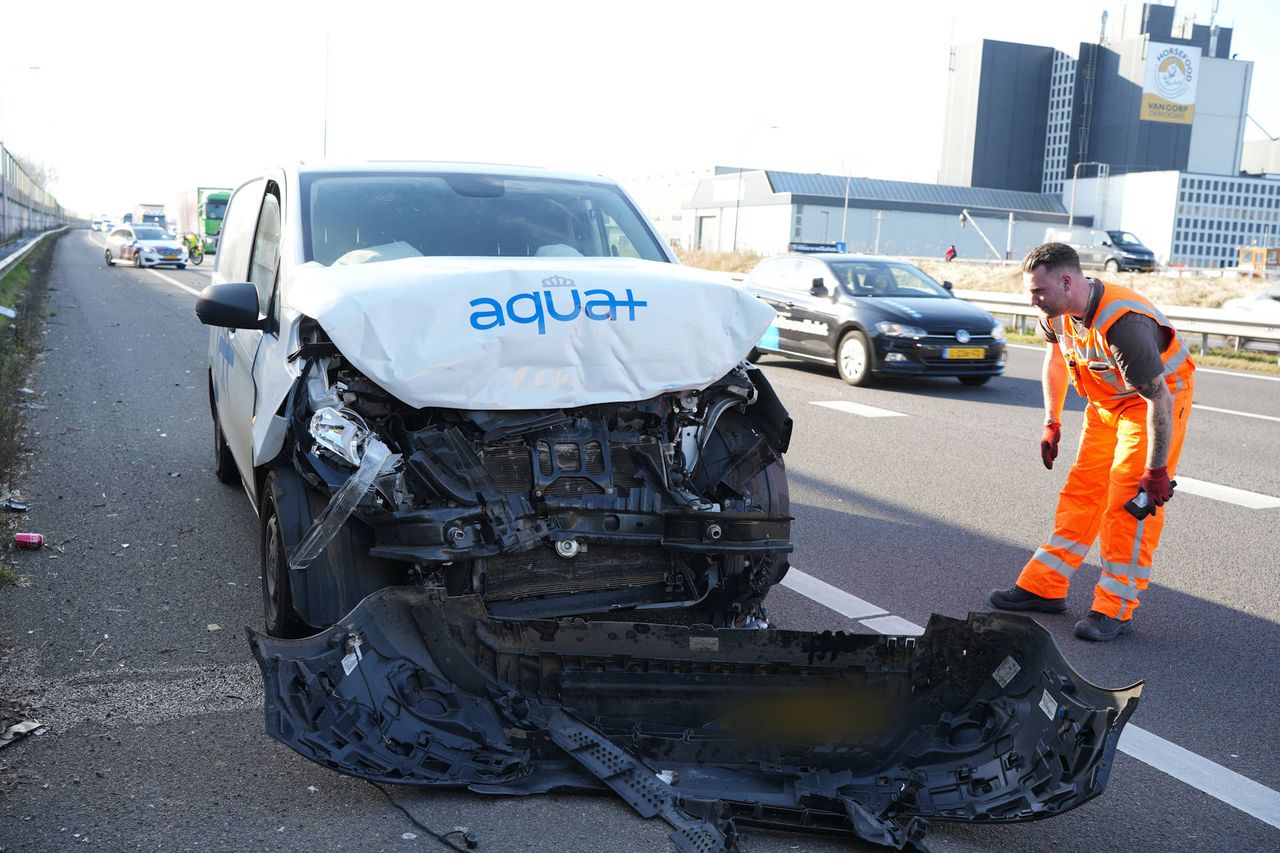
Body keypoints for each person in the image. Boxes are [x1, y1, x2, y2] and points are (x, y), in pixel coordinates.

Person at [989, 242, 1195, 641]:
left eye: (1038, 292)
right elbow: (1054, 361)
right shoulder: (1057, 312)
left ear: (1067, 281)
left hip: (1153, 403)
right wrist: (1052, 421)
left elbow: (1160, 400)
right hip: (1104, 405)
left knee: (1127, 501)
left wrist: (1155, 472)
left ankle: (1114, 608)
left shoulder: (1123, 324)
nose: (1032, 301)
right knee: (1082, 491)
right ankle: (1043, 587)